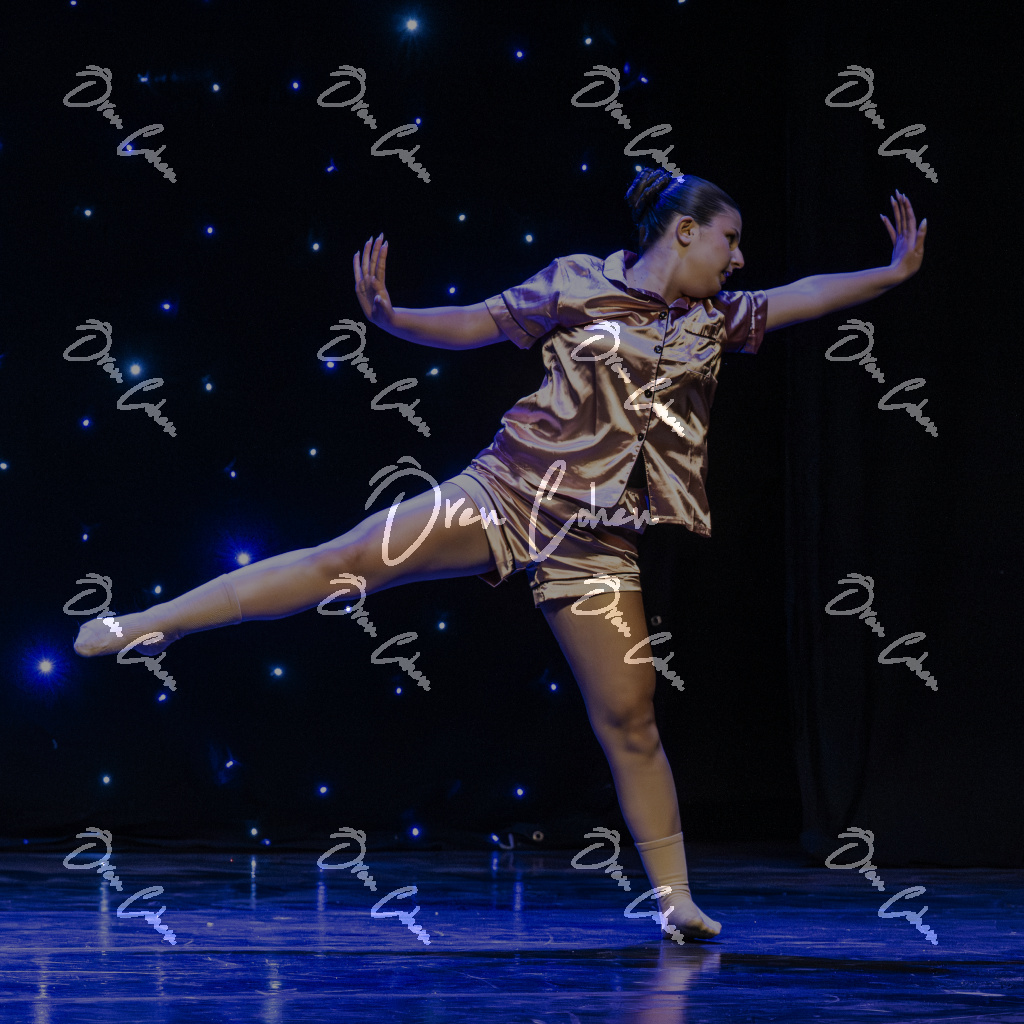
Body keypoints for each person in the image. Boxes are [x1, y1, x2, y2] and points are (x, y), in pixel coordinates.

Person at [73, 166, 928, 941]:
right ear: (684, 230)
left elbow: (802, 294)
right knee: (344, 561)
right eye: (730, 239)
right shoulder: (577, 281)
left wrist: (889, 274)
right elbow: (479, 321)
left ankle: (675, 903)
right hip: (508, 492)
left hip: (597, 539)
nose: (739, 259)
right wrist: (392, 317)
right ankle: (152, 623)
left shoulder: (716, 320)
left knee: (631, 721)